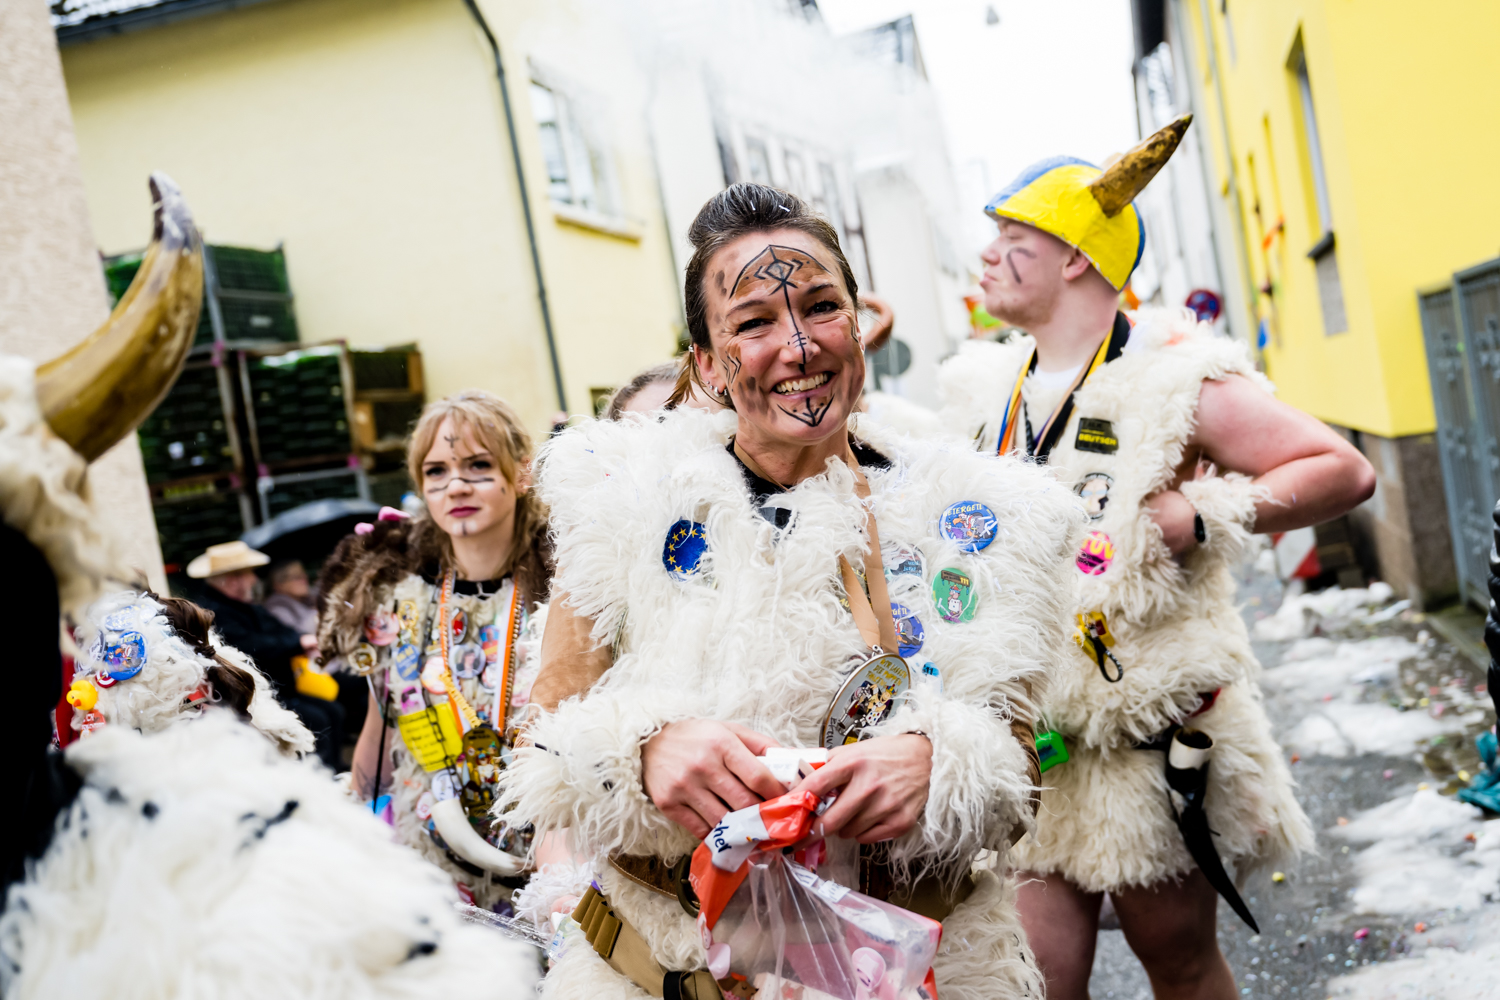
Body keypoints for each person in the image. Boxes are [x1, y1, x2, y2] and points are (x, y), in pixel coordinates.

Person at [502, 183, 1080, 1000]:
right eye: (754, 322)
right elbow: (541, 739)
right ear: (708, 363)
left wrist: (939, 762)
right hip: (664, 972)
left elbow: (1026, 761)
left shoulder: (981, 519)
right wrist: (642, 752)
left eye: (821, 307)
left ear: (859, 322)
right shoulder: (621, 507)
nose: (800, 346)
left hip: (922, 971)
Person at [938, 117, 1377, 1000]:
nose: (986, 255)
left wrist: (1202, 513)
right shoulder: (986, 387)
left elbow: (1344, 469)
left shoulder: (1174, 377)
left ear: (1075, 256)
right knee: (1035, 979)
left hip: (1145, 749)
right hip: (1036, 751)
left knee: (1177, 963)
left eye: (1012, 237)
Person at [317, 390, 552, 909]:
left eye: (478, 465)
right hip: (437, 874)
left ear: (521, 473)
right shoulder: (396, 603)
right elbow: (381, 734)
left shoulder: (569, 592)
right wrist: (347, 822)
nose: (456, 485)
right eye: (437, 471)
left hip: (554, 864)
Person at [188, 540, 345, 769]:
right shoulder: (213, 612)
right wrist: (298, 642)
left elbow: (280, 630)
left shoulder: (243, 606)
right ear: (233, 580)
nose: (254, 579)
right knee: (317, 719)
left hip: (276, 689)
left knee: (333, 711)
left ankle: (333, 771)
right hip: (250, 698)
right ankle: (317, 777)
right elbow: (249, 646)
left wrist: (301, 641)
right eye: (249, 573)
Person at [263, 558, 319, 635]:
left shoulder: (308, 600)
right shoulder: (276, 610)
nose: (304, 579)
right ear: (279, 585)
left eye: (304, 574)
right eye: (297, 577)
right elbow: (297, 636)